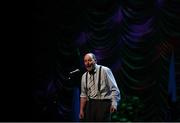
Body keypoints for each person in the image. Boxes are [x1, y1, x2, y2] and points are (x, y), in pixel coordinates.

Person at [79, 53, 120, 121]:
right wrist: (81, 110)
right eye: (85, 61)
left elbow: (114, 89)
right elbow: (83, 95)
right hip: (90, 105)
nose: (87, 63)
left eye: (89, 60)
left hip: (104, 104)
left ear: (95, 61)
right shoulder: (84, 76)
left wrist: (114, 103)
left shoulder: (105, 70)